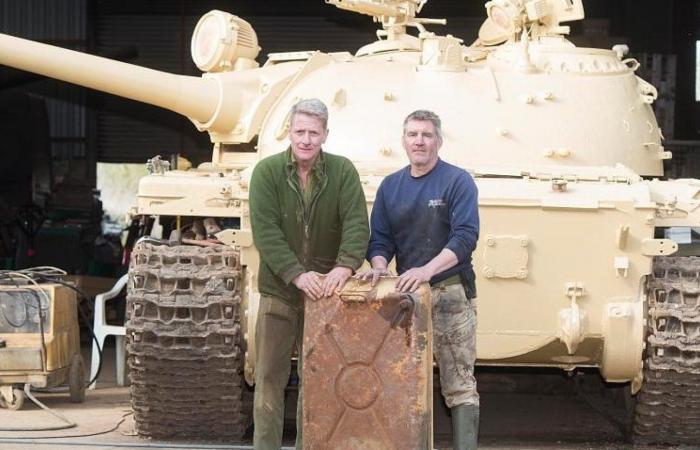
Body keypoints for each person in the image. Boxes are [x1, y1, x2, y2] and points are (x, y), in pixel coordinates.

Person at [249, 98, 369, 450]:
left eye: (313, 133)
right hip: (279, 291)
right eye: (299, 131)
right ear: (289, 132)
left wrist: (345, 266)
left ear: (325, 135)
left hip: (326, 295)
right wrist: (296, 274)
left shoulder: (342, 172)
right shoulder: (267, 172)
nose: (305, 139)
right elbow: (265, 231)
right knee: (268, 380)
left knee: (319, 382)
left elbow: (356, 223)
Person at [359, 110, 480, 450]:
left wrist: (427, 270)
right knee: (401, 380)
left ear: (438, 141)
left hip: (449, 292)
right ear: (404, 141)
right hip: (407, 298)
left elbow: (465, 237)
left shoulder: (457, 181)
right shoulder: (391, 186)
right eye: (413, 134)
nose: (419, 141)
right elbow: (380, 239)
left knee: (459, 385)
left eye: (426, 135)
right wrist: (379, 265)